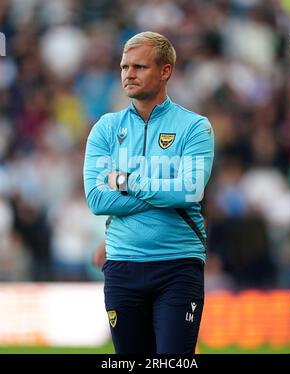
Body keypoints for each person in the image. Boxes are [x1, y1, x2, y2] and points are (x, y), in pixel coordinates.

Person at [83, 31, 214, 354]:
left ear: (165, 71)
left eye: (139, 67)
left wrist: (125, 181)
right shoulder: (106, 128)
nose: (129, 74)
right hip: (122, 266)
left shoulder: (195, 127)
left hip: (177, 266)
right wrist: (163, 192)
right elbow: (97, 199)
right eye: (124, 67)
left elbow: (190, 190)